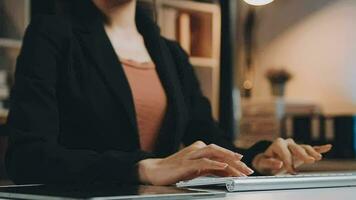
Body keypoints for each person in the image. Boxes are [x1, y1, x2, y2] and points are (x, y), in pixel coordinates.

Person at [5, 0, 331, 186]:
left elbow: (209, 138)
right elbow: (27, 157)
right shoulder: (52, 34)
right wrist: (143, 167)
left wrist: (258, 158)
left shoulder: (170, 53)